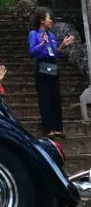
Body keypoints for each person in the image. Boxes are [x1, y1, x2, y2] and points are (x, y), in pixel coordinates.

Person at [29, 8, 75, 138]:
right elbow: (33, 52)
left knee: (55, 96)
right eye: (49, 18)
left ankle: (57, 128)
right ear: (42, 20)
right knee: (45, 97)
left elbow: (55, 53)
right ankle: (48, 128)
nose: (51, 21)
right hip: (42, 65)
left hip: (52, 65)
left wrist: (62, 46)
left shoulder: (52, 35)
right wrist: (43, 43)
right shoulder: (34, 34)